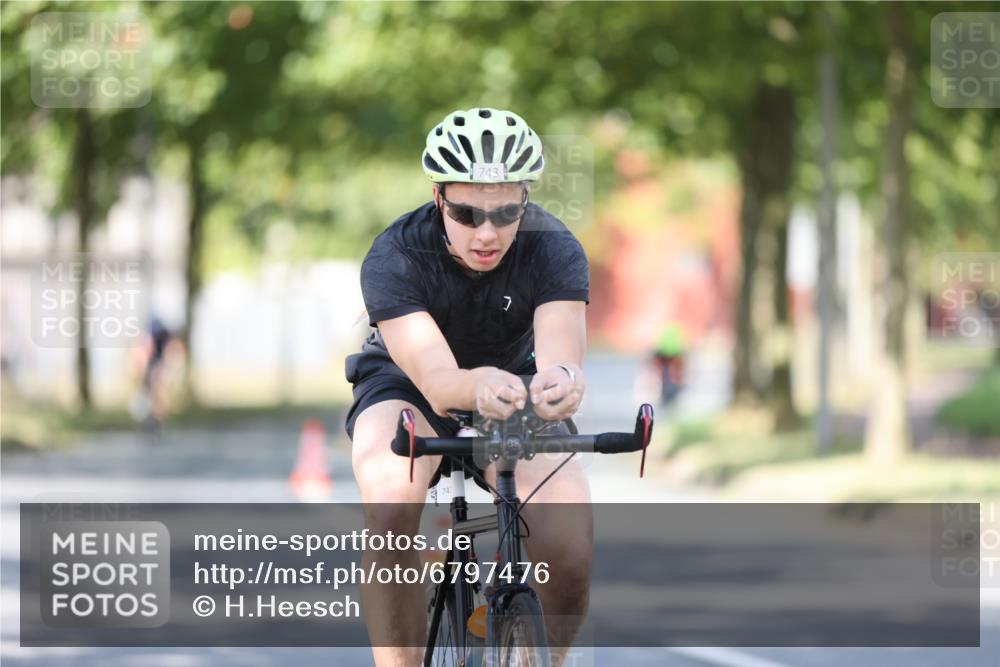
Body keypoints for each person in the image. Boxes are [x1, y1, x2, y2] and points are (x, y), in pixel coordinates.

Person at [344, 107, 592, 666]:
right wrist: (476, 384)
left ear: (525, 199)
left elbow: (561, 354)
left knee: (571, 543)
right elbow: (437, 381)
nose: (487, 232)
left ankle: (541, 660)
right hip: (408, 383)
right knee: (389, 502)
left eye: (507, 212)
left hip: (513, 386)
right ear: (438, 199)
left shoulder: (553, 246)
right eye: (466, 212)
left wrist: (563, 383)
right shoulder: (397, 254)